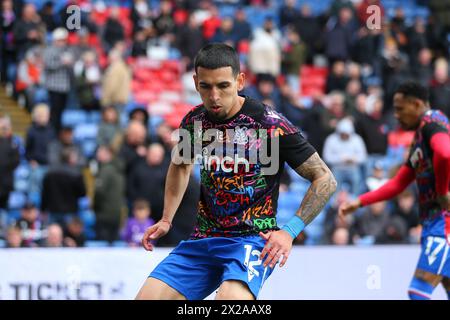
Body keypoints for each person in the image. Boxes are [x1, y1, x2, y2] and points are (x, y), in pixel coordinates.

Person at [136, 43, 337, 300]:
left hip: (251, 240)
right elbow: (181, 165)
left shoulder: (269, 124)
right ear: (195, 82)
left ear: (239, 81)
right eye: (206, 86)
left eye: (223, 85)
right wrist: (166, 219)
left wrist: (289, 231)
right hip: (203, 239)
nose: (214, 96)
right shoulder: (193, 122)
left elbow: (325, 179)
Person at [339, 81, 450, 300]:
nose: (396, 115)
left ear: (416, 104)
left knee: (418, 291)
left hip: (442, 224)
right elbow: (398, 184)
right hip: (433, 223)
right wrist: (360, 202)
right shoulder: (420, 138)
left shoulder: (432, 123)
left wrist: (442, 190)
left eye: (400, 109)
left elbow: (445, 153)